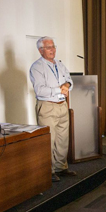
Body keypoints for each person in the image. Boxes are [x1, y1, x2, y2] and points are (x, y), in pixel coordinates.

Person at [29, 36, 74, 179]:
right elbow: (40, 90)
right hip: (48, 106)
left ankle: (61, 167)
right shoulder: (36, 67)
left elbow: (69, 80)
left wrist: (66, 85)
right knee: (49, 140)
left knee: (62, 139)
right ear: (40, 50)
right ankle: (49, 171)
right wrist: (59, 90)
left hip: (62, 105)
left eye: (53, 46)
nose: (52, 50)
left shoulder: (59, 64)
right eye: (48, 47)